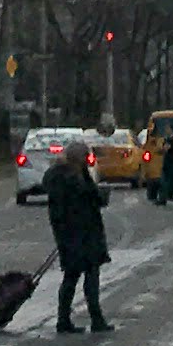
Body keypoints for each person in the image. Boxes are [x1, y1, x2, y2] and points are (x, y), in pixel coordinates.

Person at [47, 139, 113, 333]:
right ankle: (96, 319)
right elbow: (91, 197)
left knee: (71, 276)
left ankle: (64, 319)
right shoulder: (74, 178)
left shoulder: (56, 177)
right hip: (84, 233)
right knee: (90, 276)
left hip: (68, 234)